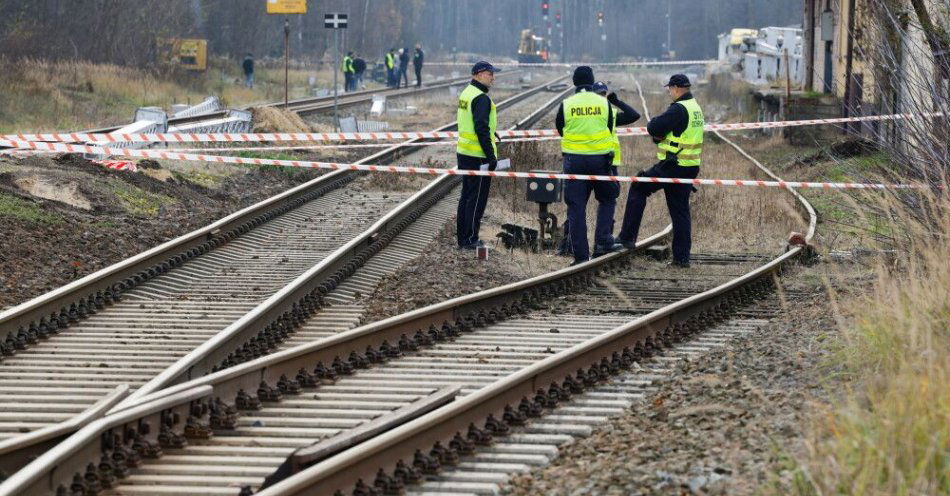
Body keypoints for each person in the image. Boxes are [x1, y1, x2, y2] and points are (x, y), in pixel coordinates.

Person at [617, 74, 704, 268]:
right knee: (680, 212)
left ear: (676, 88)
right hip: (690, 166)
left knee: (639, 186)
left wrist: (657, 132)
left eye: (670, 89)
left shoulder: (679, 108)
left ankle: (627, 238)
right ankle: (681, 259)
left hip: (673, 165)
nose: (669, 92)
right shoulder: (695, 107)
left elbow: (654, 126)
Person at [556, 67, 623, 265]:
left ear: (575, 82)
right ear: (592, 82)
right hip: (600, 161)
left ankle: (580, 257)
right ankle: (602, 240)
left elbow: (560, 128)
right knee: (608, 198)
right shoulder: (604, 103)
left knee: (576, 208)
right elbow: (609, 128)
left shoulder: (567, 104)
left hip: (574, 162)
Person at [456, 61, 502, 250]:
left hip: (464, 152)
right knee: (476, 199)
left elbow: (474, 122)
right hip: (478, 156)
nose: (493, 78)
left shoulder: (467, 93)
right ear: (479, 74)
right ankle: (470, 239)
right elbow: (480, 128)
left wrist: (492, 132)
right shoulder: (481, 98)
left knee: (466, 197)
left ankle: (463, 237)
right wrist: (491, 157)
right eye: (490, 74)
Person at [592, 81, 641, 173]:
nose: (601, 97)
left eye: (603, 94)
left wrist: (616, 102)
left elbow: (634, 115)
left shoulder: (612, 113)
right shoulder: (587, 114)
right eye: (598, 95)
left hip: (610, 161)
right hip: (592, 159)